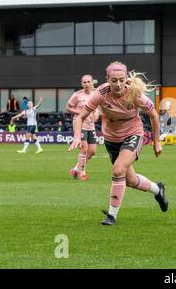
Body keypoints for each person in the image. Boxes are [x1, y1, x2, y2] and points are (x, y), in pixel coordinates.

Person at [68, 61, 168, 226]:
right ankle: (158, 190)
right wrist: (77, 136)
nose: (118, 84)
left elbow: (154, 115)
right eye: (114, 80)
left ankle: (112, 216)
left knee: (118, 169)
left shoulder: (134, 93)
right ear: (107, 79)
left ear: (126, 78)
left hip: (133, 134)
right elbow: (80, 116)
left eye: (121, 79)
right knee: (130, 180)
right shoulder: (101, 93)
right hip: (111, 139)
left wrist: (157, 142)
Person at [66, 74, 100, 181]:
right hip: (80, 124)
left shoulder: (95, 95)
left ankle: (75, 169)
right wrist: (80, 112)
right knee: (84, 148)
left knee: (92, 151)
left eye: (88, 82)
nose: (86, 84)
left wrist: (97, 114)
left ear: (92, 83)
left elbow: (97, 108)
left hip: (91, 125)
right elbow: (68, 108)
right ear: (81, 84)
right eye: (84, 82)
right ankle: (82, 172)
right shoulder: (77, 95)